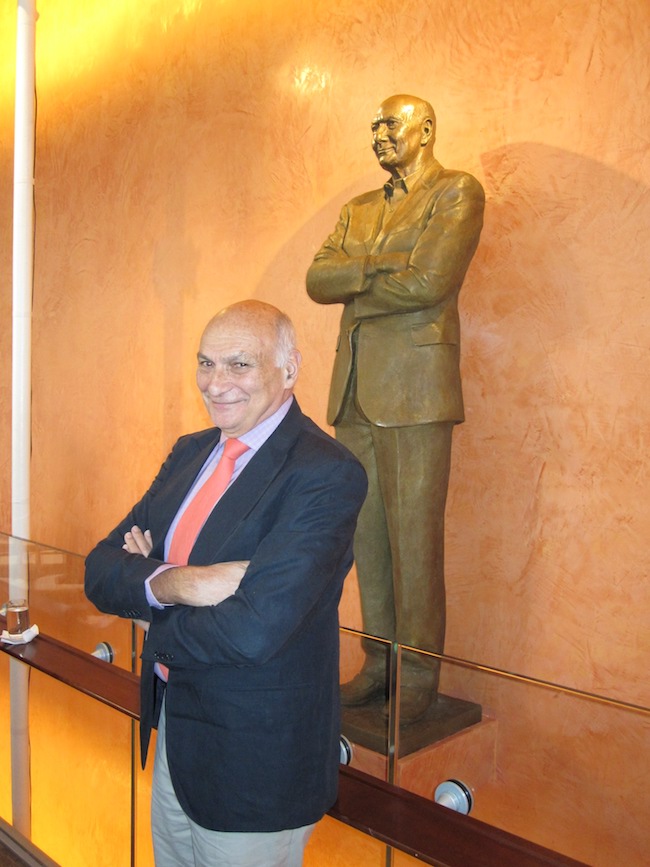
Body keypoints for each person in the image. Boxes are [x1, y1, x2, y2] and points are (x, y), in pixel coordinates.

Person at [84, 300, 367, 867]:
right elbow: (99, 568)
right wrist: (182, 584)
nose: (216, 384)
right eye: (206, 363)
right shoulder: (192, 453)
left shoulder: (325, 472)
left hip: (255, 764)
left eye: (239, 365)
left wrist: (144, 604)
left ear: (289, 370)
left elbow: (252, 632)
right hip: (173, 734)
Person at [306, 94, 485, 724]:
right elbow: (317, 280)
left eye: (391, 122)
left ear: (426, 129)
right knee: (369, 539)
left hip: (415, 393)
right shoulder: (358, 210)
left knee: (414, 540)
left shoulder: (456, 192)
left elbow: (429, 281)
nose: (377, 131)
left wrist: (359, 283)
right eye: (374, 122)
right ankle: (379, 664)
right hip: (353, 392)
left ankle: (418, 677)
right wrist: (382, 265)